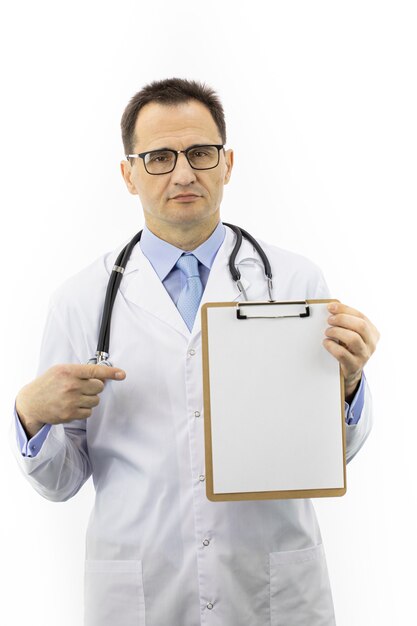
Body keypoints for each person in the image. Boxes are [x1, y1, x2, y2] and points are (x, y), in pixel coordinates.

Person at [12, 78, 379, 626]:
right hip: (140, 594)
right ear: (128, 174)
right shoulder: (80, 300)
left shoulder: (295, 281)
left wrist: (348, 385)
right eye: (159, 157)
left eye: (200, 153)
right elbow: (61, 481)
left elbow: (332, 456)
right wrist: (32, 414)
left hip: (270, 590)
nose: (183, 173)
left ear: (227, 163)